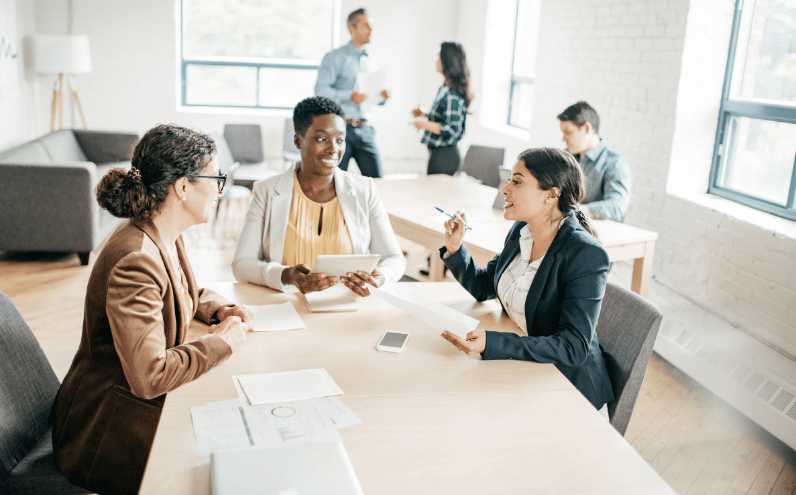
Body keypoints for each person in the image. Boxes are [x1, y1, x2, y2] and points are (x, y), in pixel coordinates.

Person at [51, 124, 253, 495]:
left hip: (127, 413)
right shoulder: (136, 260)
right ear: (183, 187)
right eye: (216, 178)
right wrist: (220, 344)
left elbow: (175, 289)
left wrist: (217, 309)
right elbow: (149, 376)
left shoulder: (158, 232)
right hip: (105, 434)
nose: (220, 189)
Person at [438, 147, 614, 412]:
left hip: (569, 390)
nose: (504, 189)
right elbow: (486, 286)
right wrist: (455, 250)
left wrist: (494, 343)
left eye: (517, 181)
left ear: (551, 195)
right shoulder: (522, 229)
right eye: (509, 179)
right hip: (529, 369)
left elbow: (573, 347)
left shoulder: (585, 254)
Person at [232, 96, 405, 296]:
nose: (333, 149)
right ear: (298, 140)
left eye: (340, 140)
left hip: (348, 306)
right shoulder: (267, 191)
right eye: (321, 139)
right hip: (288, 306)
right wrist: (287, 276)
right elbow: (241, 265)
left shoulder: (364, 190)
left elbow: (394, 259)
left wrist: (380, 276)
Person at [315, 7, 389, 178]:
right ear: (352, 29)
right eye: (366, 26)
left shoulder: (370, 60)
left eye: (371, 26)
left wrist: (382, 97)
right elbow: (320, 90)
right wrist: (349, 95)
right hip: (340, 130)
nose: (371, 30)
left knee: (377, 181)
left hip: (365, 129)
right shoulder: (334, 57)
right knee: (334, 182)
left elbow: (369, 97)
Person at [557, 101, 631, 221]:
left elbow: (617, 208)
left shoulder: (615, 163)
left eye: (568, 132)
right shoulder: (566, 157)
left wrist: (572, 211)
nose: (563, 138)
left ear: (587, 128)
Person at [412, 41, 473, 176]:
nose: (435, 60)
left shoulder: (451, 93)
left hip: (445, 157)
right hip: (438, 154)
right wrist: (425, 114)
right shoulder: (445, 88)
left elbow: (452, 128)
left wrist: (424, 124)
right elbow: (444, 118)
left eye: (437, 56)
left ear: (446, 60)